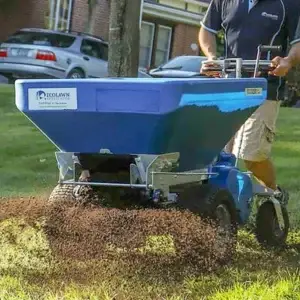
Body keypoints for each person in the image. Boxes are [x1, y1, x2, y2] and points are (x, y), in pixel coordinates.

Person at [199, 0, 300, 203]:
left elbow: (297, 42)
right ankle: (225, 206)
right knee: (220, 155)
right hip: (228, 84)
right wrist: (211, 57)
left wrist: (287, 61)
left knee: (250, 154)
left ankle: (274, 195)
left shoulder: (289, 3)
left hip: (264, 87)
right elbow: (206, 30)